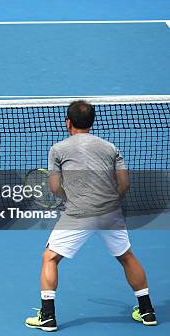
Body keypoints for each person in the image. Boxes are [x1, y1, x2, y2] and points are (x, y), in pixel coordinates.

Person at [25, 100, 156, 331]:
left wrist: (69, 200)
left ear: (68, 122)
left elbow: (55, 188)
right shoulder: (110, 147)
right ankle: (147, 311)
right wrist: (109, 203)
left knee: (50, 258)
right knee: (126, 256)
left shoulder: (58, 149)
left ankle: (47, 316)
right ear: (92, 122)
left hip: (77, 215)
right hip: (110, 213)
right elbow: (124, 184)